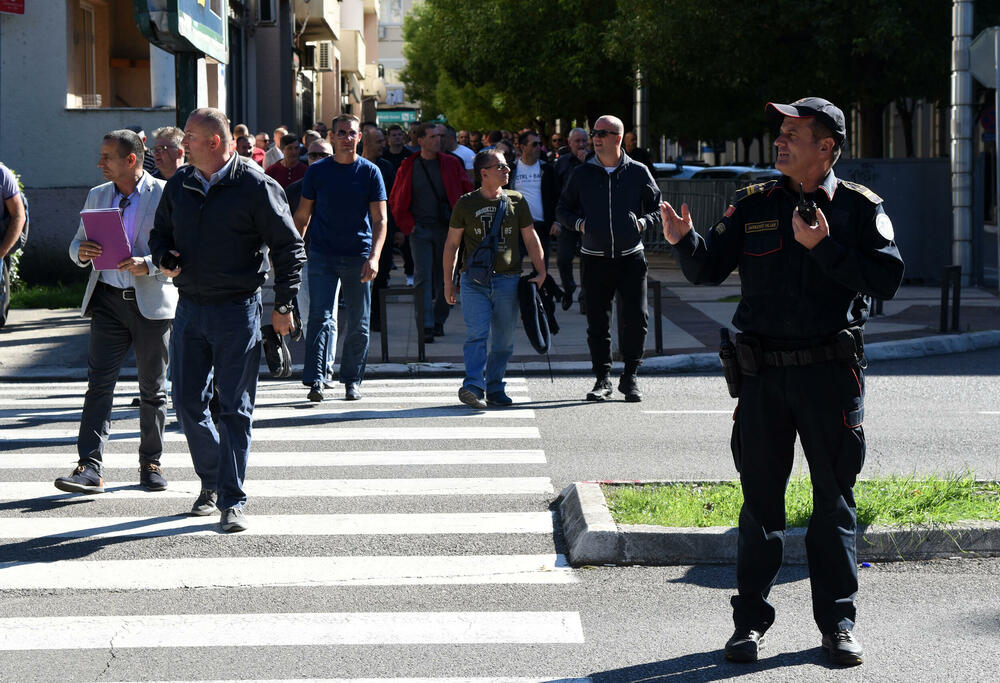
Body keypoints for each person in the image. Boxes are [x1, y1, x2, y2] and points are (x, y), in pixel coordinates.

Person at [660, 97, 905, 667]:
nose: (781, 140)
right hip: (763, 377)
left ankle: (838, 624)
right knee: (760, 508)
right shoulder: (755, 204)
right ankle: (749, 624)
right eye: (781, 131)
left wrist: (824, 249)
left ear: (827, 147)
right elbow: (706, 268)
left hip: (829, 376)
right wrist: (683, 240)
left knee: (833, 506)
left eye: (794, 133)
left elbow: (887, 279)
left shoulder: (859, 210)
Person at [149, 107, 305, 533]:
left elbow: (290, 250)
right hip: (190, 308)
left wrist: (284, 305)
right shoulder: (180, 183)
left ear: (214, 142)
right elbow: (159, 234)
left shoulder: (256, 185)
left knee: (234, 409)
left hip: (238, 310)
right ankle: (215, 479)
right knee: (186, 403)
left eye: (190, 138)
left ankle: (230, 499)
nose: (182, 145)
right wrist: (164, 256)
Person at [54, 129, 176, 495]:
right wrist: (82, 252)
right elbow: (76, 243)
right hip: (107, 300)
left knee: (153, 389)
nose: (99, 162)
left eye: (107, 157)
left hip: (151, 304)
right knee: (98, 386)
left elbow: (179, 250)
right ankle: (89, 466)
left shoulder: (165, 195)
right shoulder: (97, 194)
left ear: (131, 160)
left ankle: (150, 464)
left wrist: (148, 264)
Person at [556, 115, 660, 403]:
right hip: (594, 257)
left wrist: (640, 224)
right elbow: (563, 209)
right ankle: (602, 378)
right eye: (594, 132)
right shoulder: (581, 173)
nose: (596, 137)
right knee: (597, 320)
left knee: (635, 318)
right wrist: (580, 225)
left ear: (618, 137)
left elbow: (657, 209)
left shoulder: (638, 172)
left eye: (602, 132)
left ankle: (630, 377)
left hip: (631, 258)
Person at [294, 114, 386, 402]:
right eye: (342, 132)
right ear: (332, 137)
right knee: (320, 318)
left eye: (352, 133)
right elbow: (303, 215)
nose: (347, 137)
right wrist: (294, 251)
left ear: (360, 138)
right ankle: (317, 380)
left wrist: (375, 257)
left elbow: (380, 218)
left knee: (359, 321)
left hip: (359, 255)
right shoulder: (317, 172)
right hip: (322, 255)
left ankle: (352, 380)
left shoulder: (370, 172)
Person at [443, 149, 545, 409]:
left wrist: (542, 270)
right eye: (500, 166)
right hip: (474, 280)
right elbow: (452, 245)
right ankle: (473, 387)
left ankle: (495, 387)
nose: (507, 169)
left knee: (503, 340)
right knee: (476, 334)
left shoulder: (516, 200)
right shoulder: (466, 203)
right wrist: (448, 281)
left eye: (506, 165)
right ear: (483, 173)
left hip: (508, 281)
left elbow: (531, 237)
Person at [389, 122, 472, 342]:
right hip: (421, 231)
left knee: (447, 277)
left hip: (448, 230)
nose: (439, 140)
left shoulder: (452, 164)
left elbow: (466, 192)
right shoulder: (409, 166)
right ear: (421, 141)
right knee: (422, 278)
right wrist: (408, 226)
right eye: (433, 137)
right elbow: (396, 199)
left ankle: (438, 320)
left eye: (440, 136)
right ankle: (425, 325)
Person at [361, 127, 403, 332]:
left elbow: (394, 200)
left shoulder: (386, 167)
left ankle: (376, 318)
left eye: (383, 141)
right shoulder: (355, 166)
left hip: (382, 230)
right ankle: (360, 316)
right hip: (358, 232)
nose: (383, 145)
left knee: (382, 274)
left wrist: (397, 230)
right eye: (378, 142)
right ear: (366, 143)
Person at [509, 130, 559, 268]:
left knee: (541, 268)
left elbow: (557, 196)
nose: (539, 148)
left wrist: (556, 221)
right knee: (513, 268)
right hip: (518, 227)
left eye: (540, 144)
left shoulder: (547, 169)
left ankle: (540, 290)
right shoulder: (511, 169)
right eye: (534, 144)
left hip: (542, 226)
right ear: (523, 147)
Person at [553, 127, 590, 311]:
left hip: (588, 219)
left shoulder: (594, 161)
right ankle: (568, 287)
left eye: (584, 141)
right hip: (568, 218)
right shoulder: (562, 163)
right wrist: (557, 219)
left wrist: (586, 165)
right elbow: (555, 192)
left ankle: (585, 299)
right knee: (563, 258)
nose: (582, 145)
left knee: (588, 259)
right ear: (569, 143)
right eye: (578, 141)